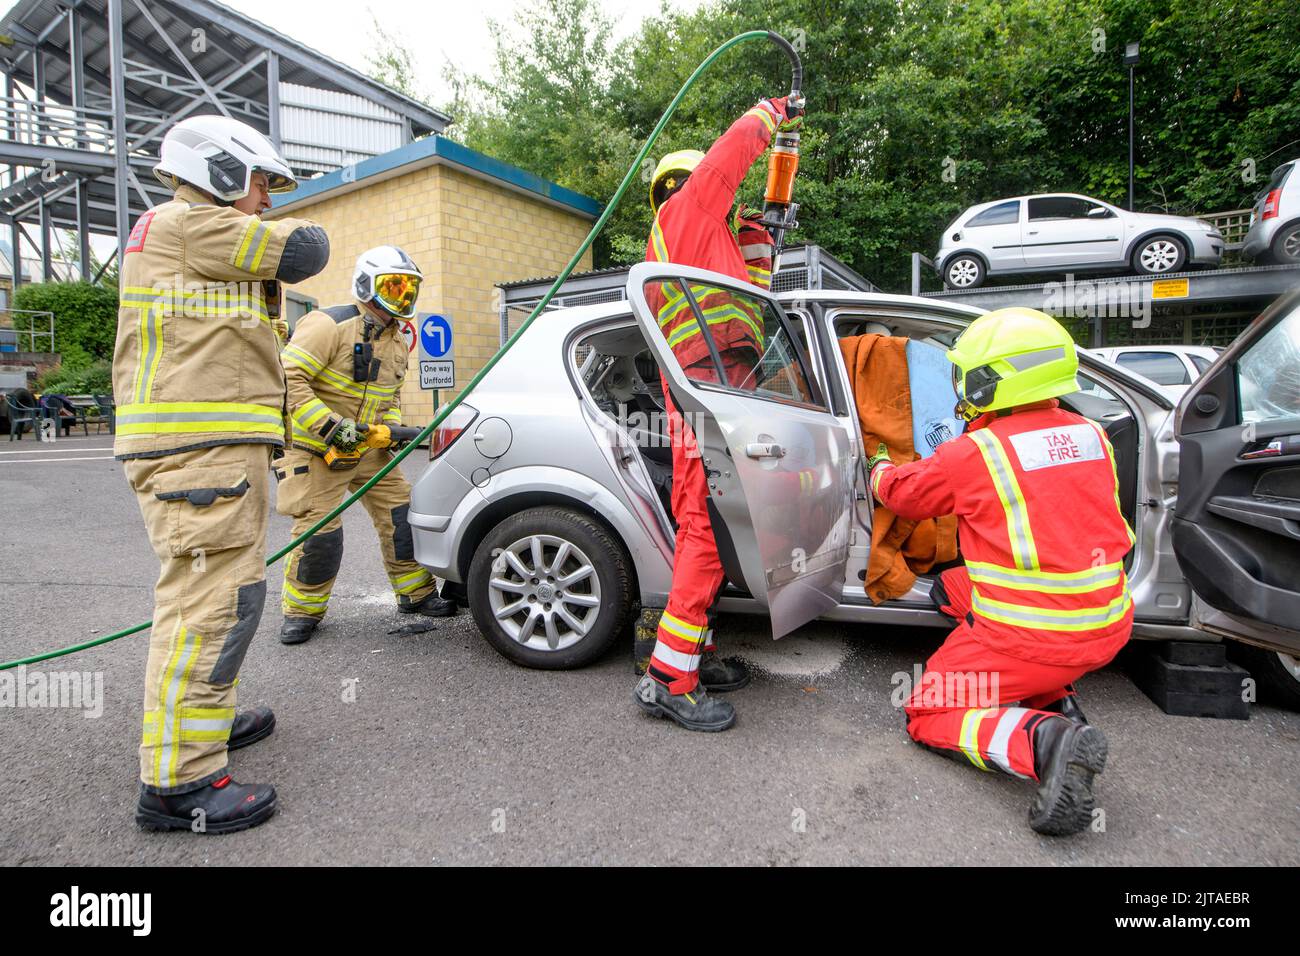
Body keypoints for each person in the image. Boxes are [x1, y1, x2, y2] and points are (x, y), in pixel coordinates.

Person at [115, 114, 329, 834]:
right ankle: (180, 781)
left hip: (209, 449)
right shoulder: (190, 222)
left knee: (219, 600)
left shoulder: (186, 237)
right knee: (208, 607)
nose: (266, 199)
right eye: (261, 182)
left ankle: (202, 727)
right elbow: (307, 250)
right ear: (221, 172)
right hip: (197, 453)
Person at [867, 307, 1135, 835]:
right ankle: (1055, 697)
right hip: (1109, 622)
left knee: (927, 712)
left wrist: (878, 468)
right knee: (949, 587)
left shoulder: (977, 452)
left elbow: (907, 495)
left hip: (1032, 635)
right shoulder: (1092, 435)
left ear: (990, 381)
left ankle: (1046, 741)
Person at [632, 96, 800, 732]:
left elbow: (754, 299)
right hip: (705, 388)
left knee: (713, 527)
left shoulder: (707, 244)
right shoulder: (687, 211)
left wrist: (758, 240)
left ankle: (693, 653)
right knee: (703, 527)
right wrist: (770, 112)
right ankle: (667, 680)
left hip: (721, 387)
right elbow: (727, 163)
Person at [276, 245, 456, 645]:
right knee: (321, 534)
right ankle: (302, 612)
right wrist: (331, 428)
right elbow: (288, 381)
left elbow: (388, 401)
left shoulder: (397, 341)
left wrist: (390, 433)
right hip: (315, 451)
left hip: (368, 452)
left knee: (402, 518)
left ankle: (415, 593)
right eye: (394, 285)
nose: (403, 295)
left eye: (409, 288)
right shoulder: (327, 325)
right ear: (366, 284)